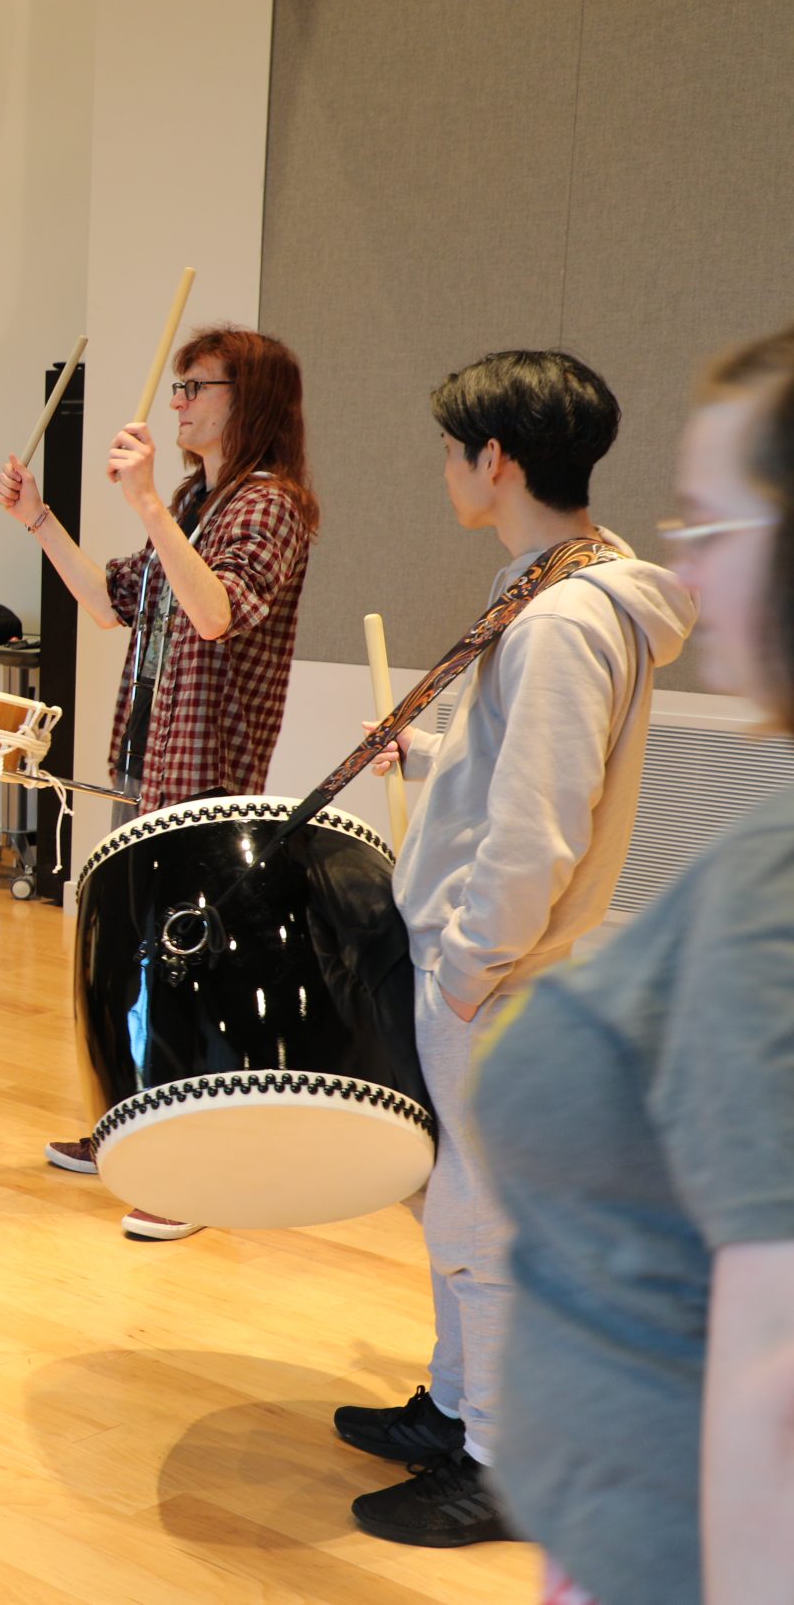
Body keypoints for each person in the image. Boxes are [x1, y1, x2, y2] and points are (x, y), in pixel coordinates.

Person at [449, 330, 794, 1605]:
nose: (684, 567)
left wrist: (465, 964)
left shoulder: (773, 893)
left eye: (709, 524)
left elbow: (775, 1383)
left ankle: (476, 1450)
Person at [330, 350, 693, 1549]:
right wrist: (432, 763)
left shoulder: (564, 619)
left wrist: (466, 968)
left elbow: (537, 834)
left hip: (495, 971)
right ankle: (454, 1406)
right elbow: (521, 774)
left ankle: (498, 1463)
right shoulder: (557, 584)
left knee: (480, 1221)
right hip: (490, 963)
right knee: (455, 1205)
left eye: (452, 450)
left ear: (496, 459)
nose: (444, 469)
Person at [0, 327, 319, 1240]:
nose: (176, 403)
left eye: (194, 387)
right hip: (152, 759)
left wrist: (144, 502)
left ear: (246, 399)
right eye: (176, 388)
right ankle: (134, 1133)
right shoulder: (195, 500)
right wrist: (40, 520)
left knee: (191, 967)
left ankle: (190, 1175)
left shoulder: (271, 506)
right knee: (144, 962)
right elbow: (111, 603)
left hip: (209, 772)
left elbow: (215, 613)